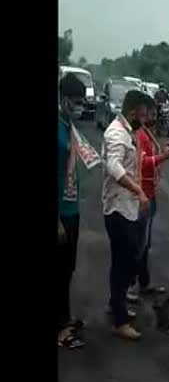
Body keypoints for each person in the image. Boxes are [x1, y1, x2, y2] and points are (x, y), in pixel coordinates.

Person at [102, 89, 150, 341]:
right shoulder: (116, 133)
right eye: (142, 115)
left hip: (129, 207)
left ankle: (117, 304)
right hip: (118, 208)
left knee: (128, 260)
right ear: (132, 112)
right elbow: (113, 166)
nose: (144, 120)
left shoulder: (128, 131)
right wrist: (138, 190)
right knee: (123, 263)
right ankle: (119, 320)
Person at [128, 96, 169, 302]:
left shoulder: (147, 133)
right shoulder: (139, 134)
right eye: (149, 115)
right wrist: (163, 157)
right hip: (143, 194)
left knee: (145, 244)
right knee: (138, 244)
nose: (153, 118)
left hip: (150, 193)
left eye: (154, 114)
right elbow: (143, 163)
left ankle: (143, 283)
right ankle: (129, 286)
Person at [58, 74, 89, 350]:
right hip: (61, 214)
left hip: (72, 208)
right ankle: (61, 330)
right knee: (59, 270)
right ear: (64, 100)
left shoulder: (68, 127)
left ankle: (65, 318)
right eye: (77, 102)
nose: (80, 107)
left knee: (67, 269)